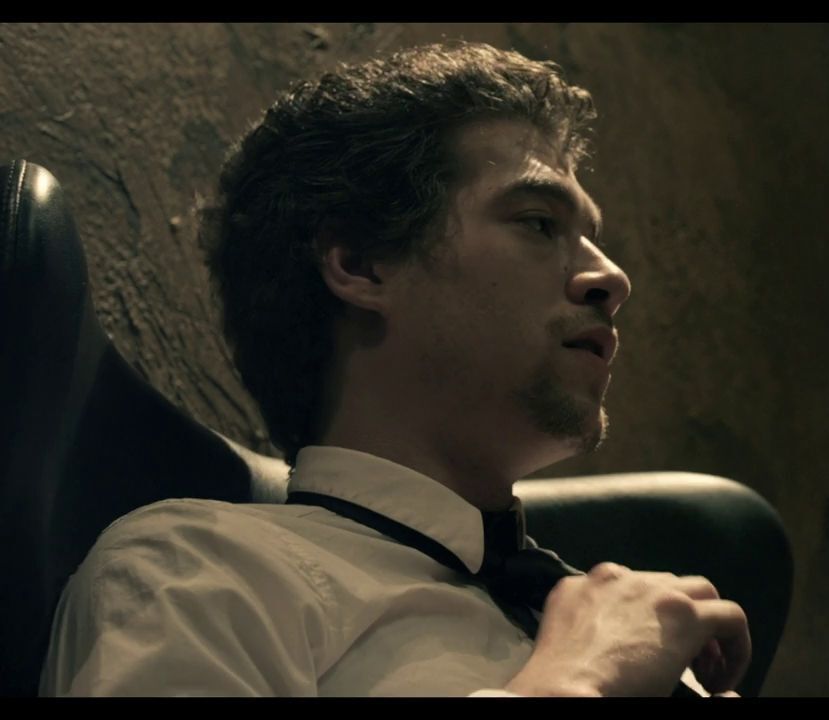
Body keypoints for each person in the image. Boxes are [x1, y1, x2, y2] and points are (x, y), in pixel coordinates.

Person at [38, 40, 751, 697]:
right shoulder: (195, 573)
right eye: (539, 223)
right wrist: (577, 681)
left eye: (592, 239)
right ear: (361, 264)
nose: (612, 278)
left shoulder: (622, 621)